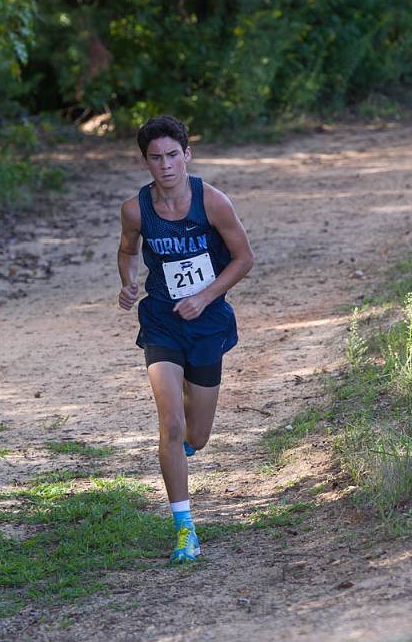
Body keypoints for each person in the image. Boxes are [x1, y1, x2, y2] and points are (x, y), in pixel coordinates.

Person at [117, 115, 254, 563]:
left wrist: (205, 295)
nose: (166, 165)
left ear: (187, 154)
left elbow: (243, 258)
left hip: (207, 321)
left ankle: (178, 451)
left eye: (173, 155)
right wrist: (128, 280)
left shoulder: (212, 202)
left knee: (198, 432)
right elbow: (127, 249)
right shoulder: (136, 209)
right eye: (155, 158)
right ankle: (184, 528)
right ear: (145, 162)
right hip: (161, 321)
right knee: (172, 423)